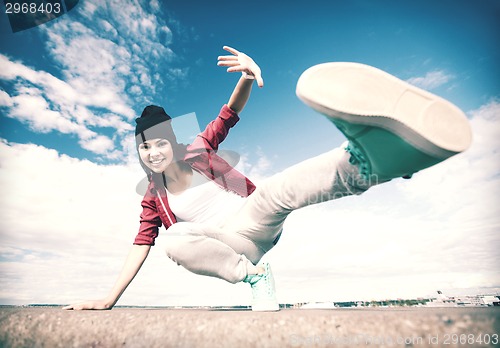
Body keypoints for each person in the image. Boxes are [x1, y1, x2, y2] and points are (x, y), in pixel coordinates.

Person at [63, 46, 472, 311]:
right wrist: (108, 299)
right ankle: (255, 277)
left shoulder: (198, 152)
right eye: (144, 147)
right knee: (172, 239)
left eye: (158, 143)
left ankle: (372, 161)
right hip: (229, 248)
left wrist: (246, 75)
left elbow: (228, 114)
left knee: (278, 190)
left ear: (171, 141)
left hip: (254, 218)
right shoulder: (154, 198)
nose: (152, 152)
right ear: (140, 154)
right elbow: (141, 245)